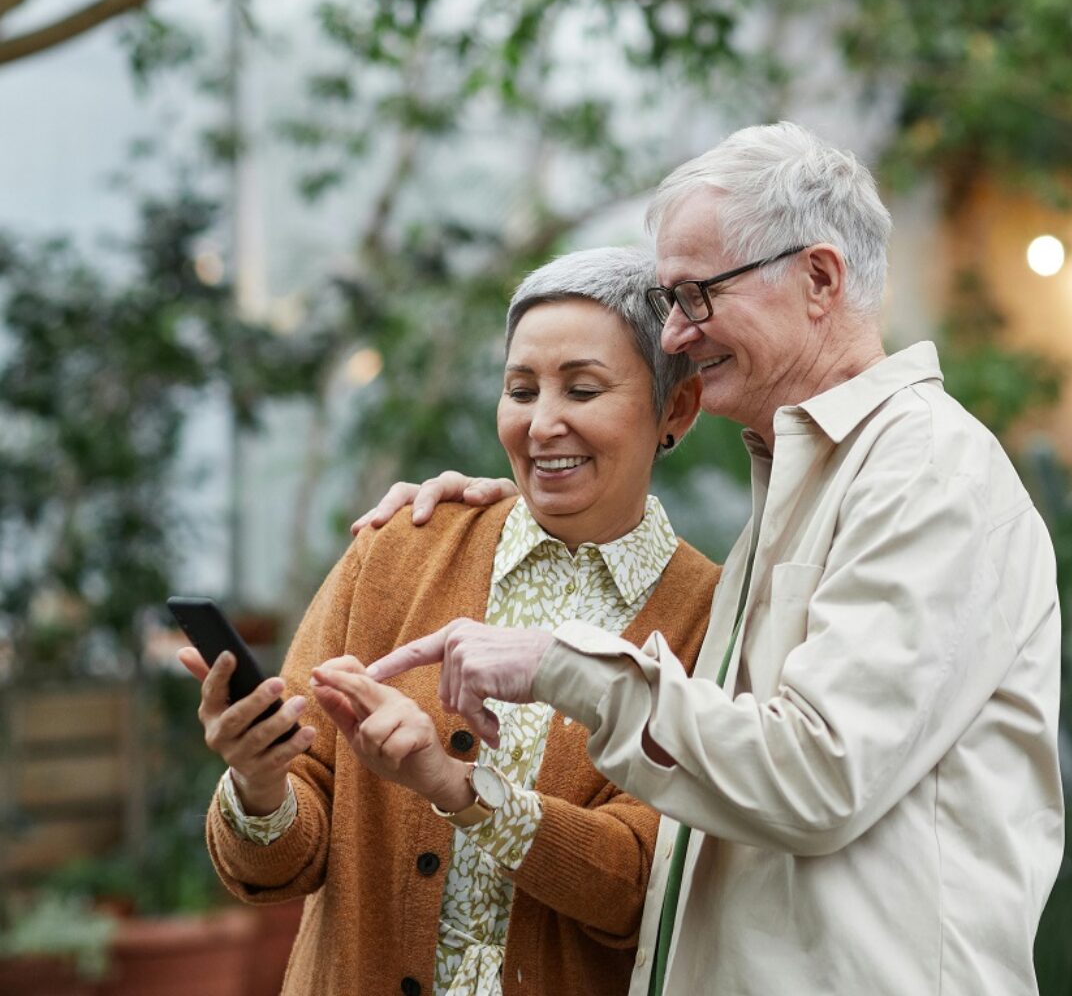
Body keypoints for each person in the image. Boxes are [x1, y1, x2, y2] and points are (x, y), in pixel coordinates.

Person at [358, 122, 1065, 995]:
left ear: (818, 279)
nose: (676, 337)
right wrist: (528, 498)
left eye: (695, 296)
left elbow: (816, 776)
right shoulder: (810, 477)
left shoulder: (927, 470)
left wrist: (558, 663)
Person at [177, 247, 720, 996]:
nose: (543, 424)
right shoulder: (401, 548)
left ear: (677, 409)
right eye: (520, 389)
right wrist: (260, 780)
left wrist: (455, 787)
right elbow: (274, 866)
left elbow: (642, 887)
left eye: (584, 389)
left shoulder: (711, 616)